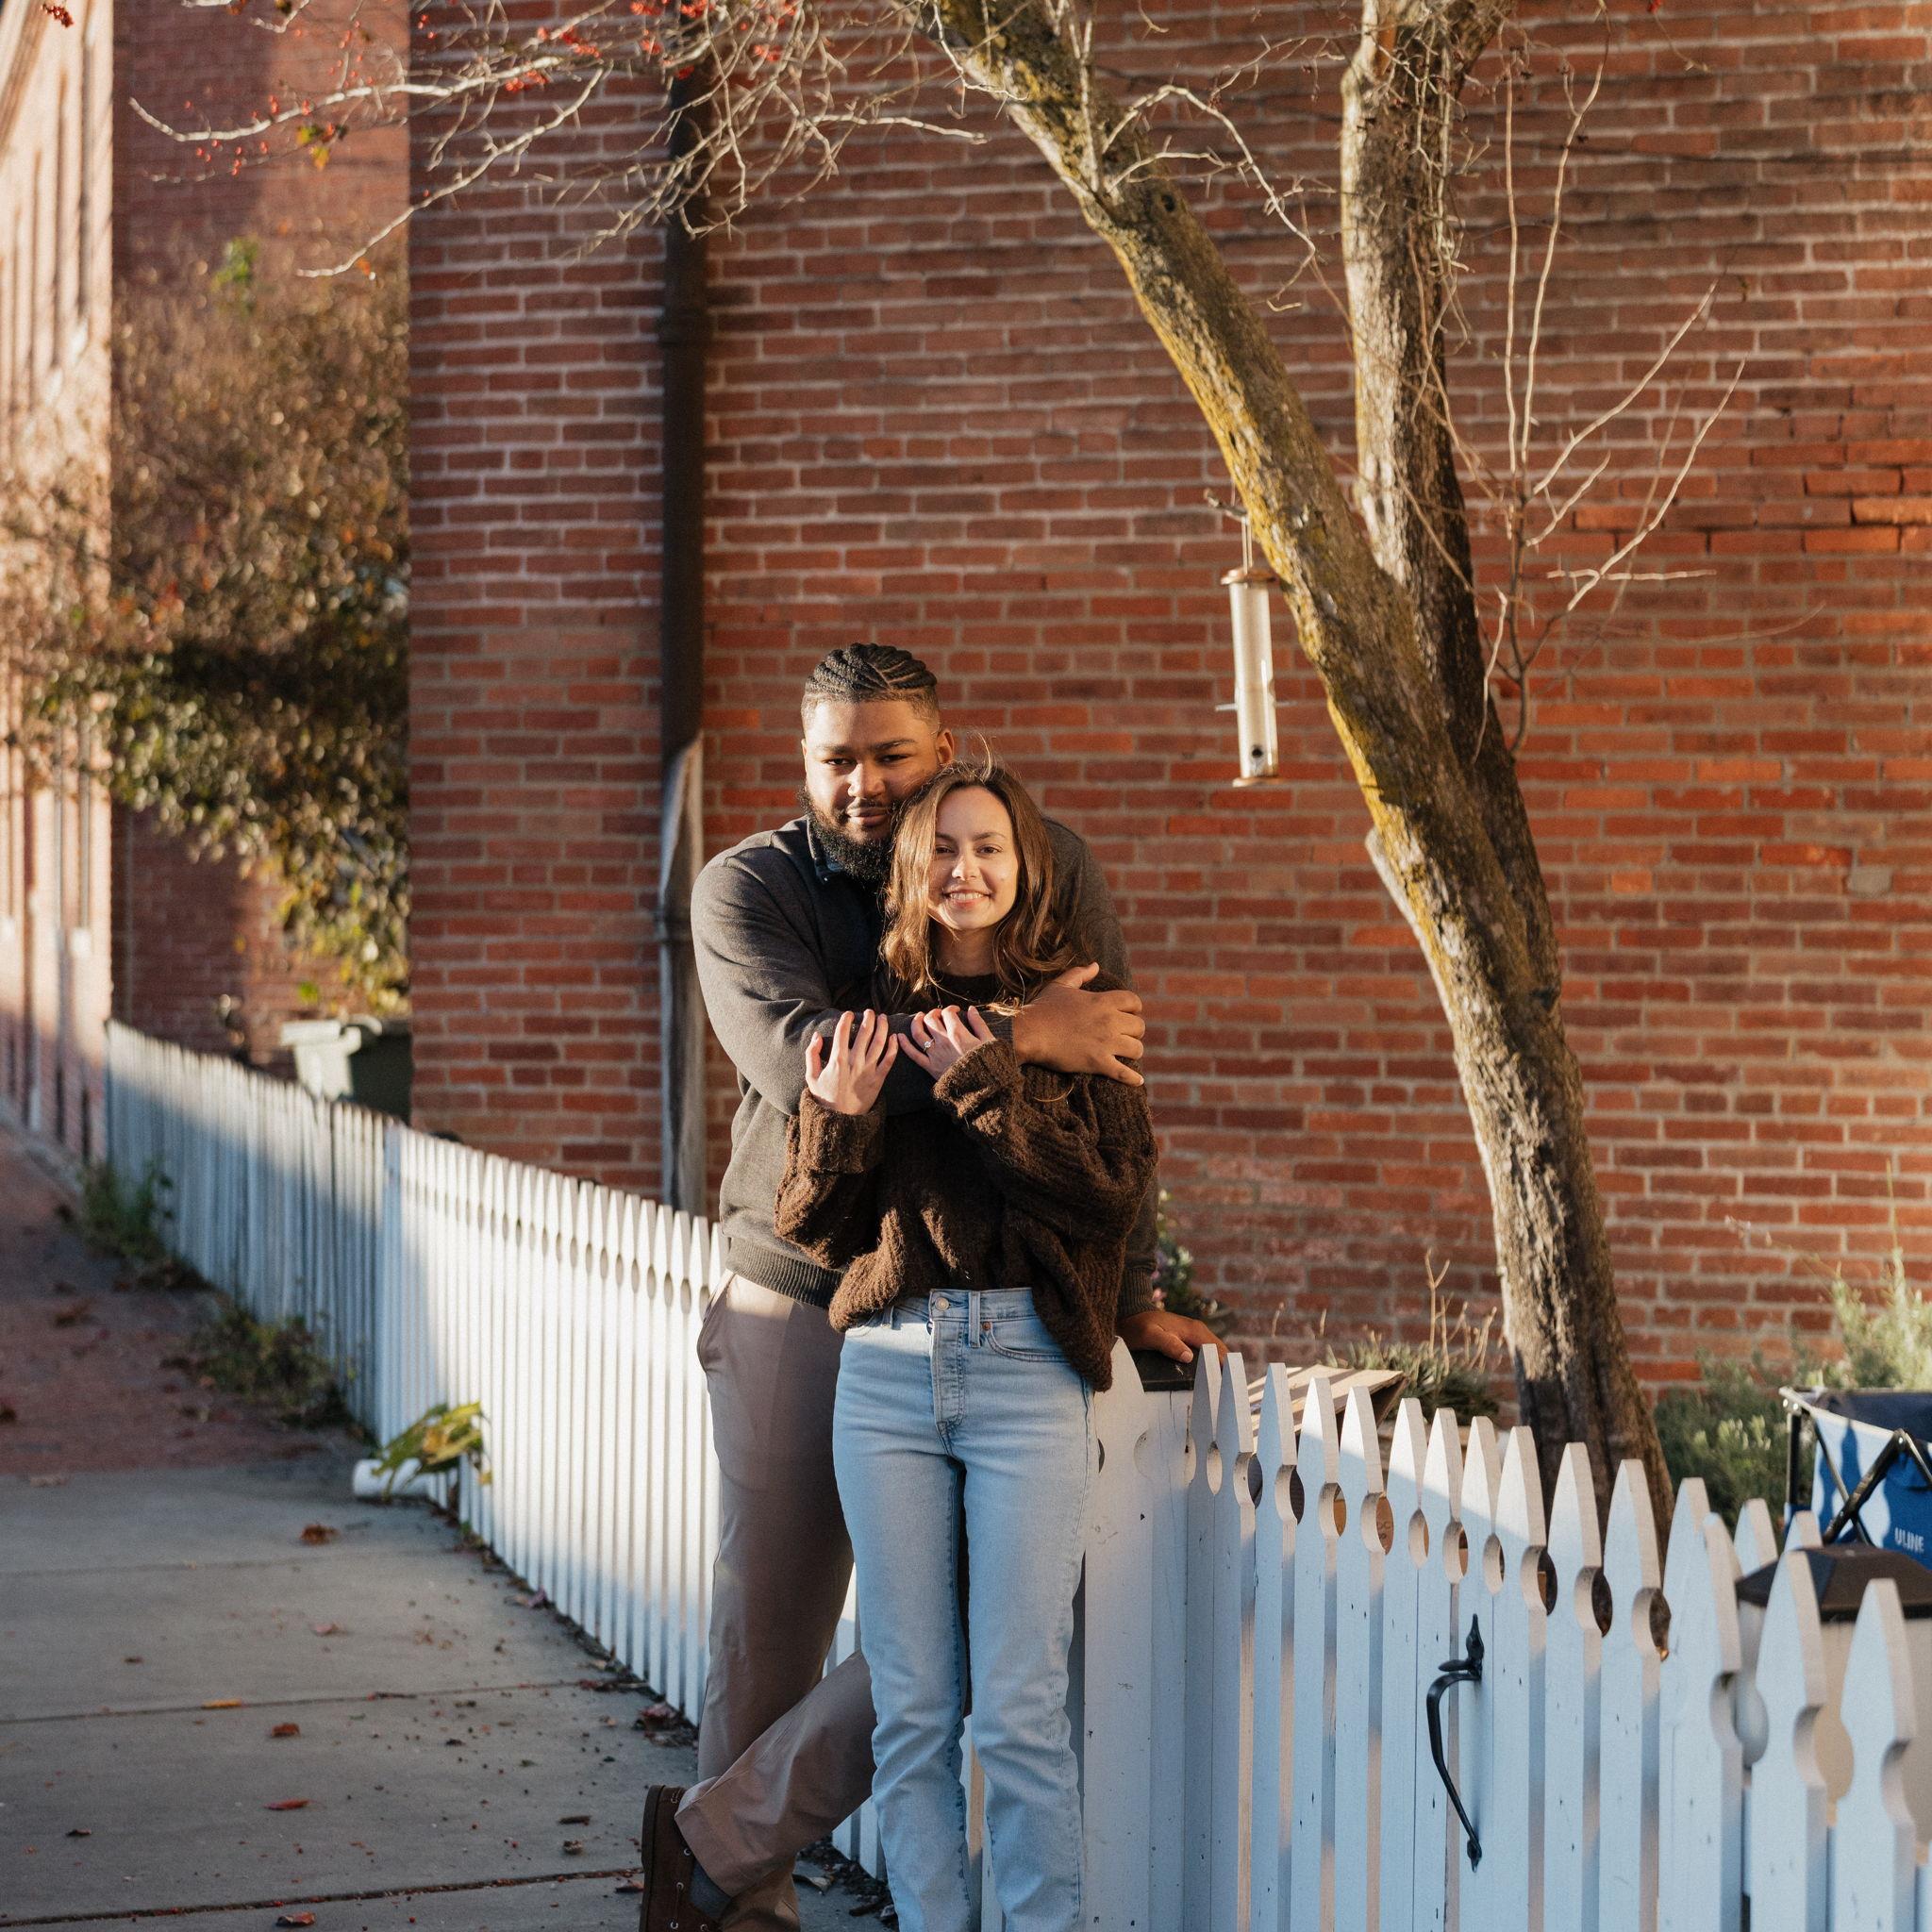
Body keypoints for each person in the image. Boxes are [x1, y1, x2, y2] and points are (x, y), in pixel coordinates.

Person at [635, 645, 1223, 1932]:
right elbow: (806, 1071)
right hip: (802, 1288)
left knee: (964, 1634)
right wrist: (1019, 1036)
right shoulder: (751, 890)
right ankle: (738, 1906)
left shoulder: (1046, 861)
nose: (864, 785)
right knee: (774, 1632)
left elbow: (1113, 1080)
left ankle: (711, 1844)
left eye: (890, 755)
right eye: (836, 759)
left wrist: (1123, 1297)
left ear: (946, 744)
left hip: (999, 1310)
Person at [777, 758, 1158, 1932]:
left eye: (988, 846)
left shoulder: (1079, 1007)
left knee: (1018, 1707)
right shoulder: (862, 1023)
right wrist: (838, 1122)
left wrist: (990, 1082)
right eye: (942, 847)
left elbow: (1105, 1197)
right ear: (910, 867)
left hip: (1024, 1370)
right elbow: (810, 1226)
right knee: (911, 1707)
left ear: (1024, 864)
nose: (964, 868)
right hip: (884, 1370)